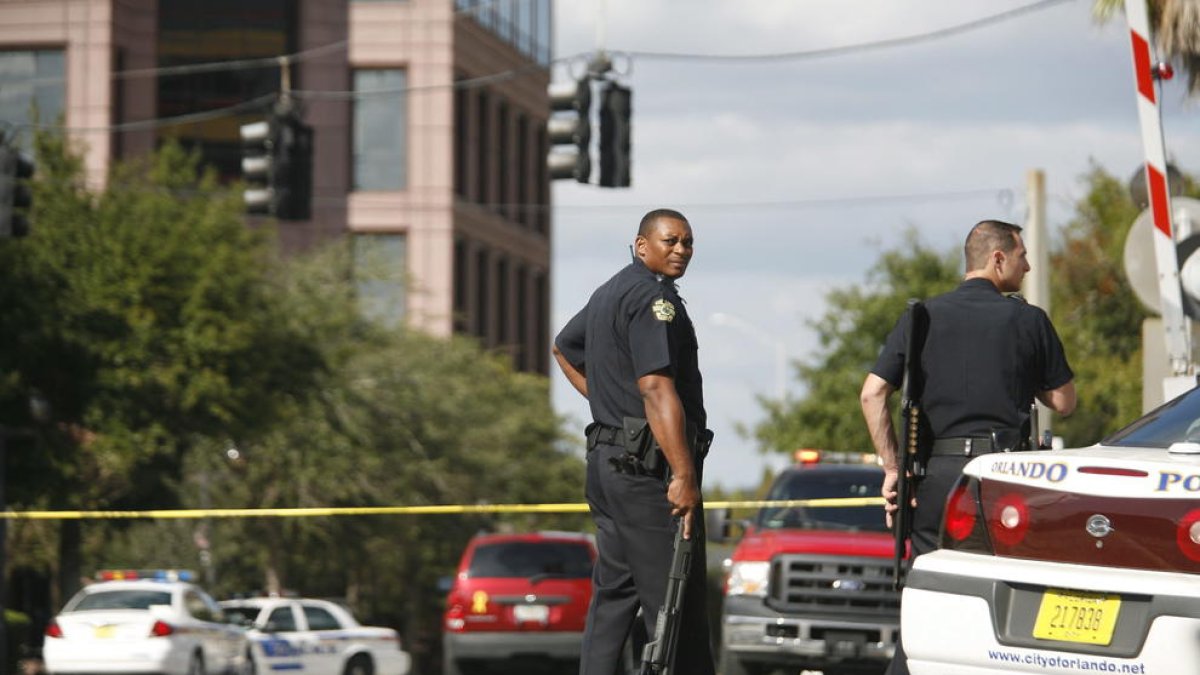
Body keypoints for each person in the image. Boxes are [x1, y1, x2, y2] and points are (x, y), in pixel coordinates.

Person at [860, 219, 1076, 675]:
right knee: (1005, 605)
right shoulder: (1027, 319)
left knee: (925, 603)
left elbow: (872, 393)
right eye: (1022, 256)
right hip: (1005, 482)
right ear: (998, 259)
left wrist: (893, 468)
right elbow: (1064, 401)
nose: (1029, 265)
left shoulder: (922, 317)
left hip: (935, 479)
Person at [553, 208, 716, 675]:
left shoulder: (610, 292)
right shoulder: (652, 299)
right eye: (671, 241)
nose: (681, 250)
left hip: (608, 463)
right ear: (642, 245)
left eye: (687, 243)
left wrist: (607, 402)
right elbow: (655, 387)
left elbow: (564, 346)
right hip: (646, 472)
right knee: (673, 599)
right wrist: (683, 474)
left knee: (614, 598)